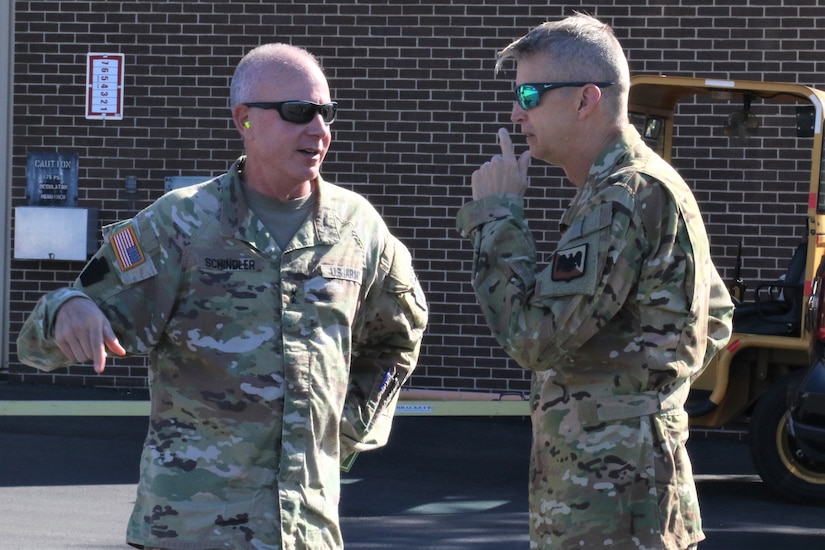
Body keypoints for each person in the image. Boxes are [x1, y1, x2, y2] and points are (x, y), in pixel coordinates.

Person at [17, 43, 427, 549]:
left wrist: (344, 431)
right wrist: (67, 309)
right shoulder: (180, 223)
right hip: (191, 529)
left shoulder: (358, 228)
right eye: (299, 113)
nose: (319, 131)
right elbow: (40, 344)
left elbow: (398, 336)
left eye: (327, 113)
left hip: (307, 530)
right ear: (245, 119)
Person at [456, 14, 734, 550]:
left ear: (586, 99)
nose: (517, 114)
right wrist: (641, 387)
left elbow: (532, 339)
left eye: (531, 94)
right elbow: (716, 317)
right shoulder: (634, 185)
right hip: (621, 488)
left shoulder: (621, 195)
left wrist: (498, 216)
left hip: (612, 502)